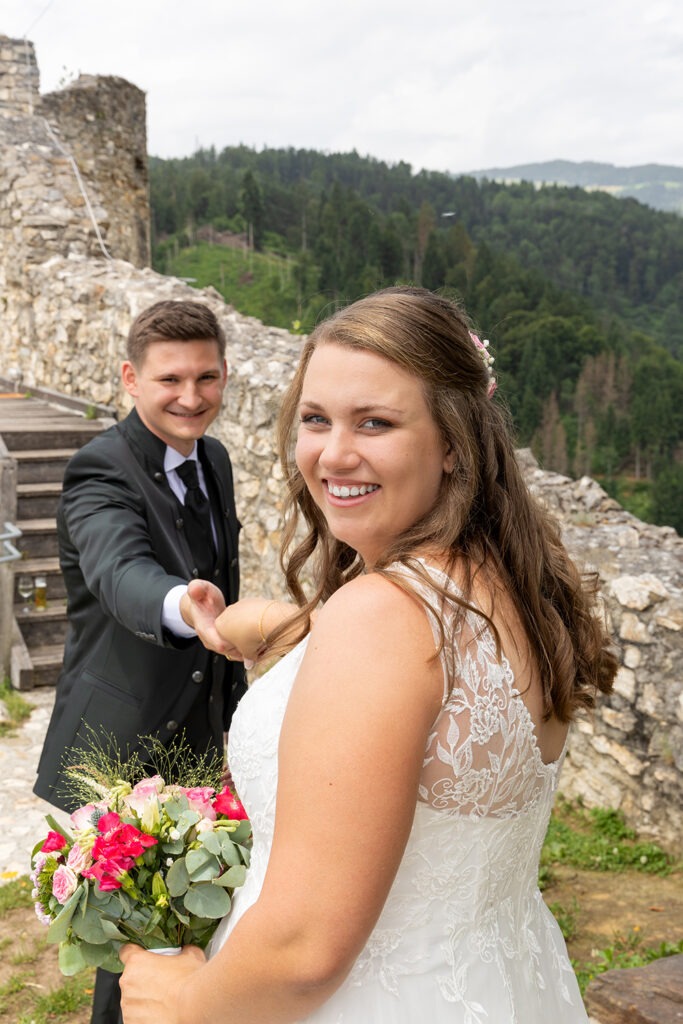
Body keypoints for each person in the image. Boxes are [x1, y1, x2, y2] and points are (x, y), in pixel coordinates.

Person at [119, 286, 618, 1023]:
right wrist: (267, 626)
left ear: (453, 442)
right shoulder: (504, 585)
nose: (333, 454)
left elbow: (303, 950)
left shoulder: (381, 618)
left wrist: (182, 1003)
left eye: (375, 423)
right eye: (315, 419)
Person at [33, 299, 246, 1024]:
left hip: (201, 738)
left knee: (194, 924)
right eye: (171, 380)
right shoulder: (99, 469)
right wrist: (186, 606)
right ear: (131, 378)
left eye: (207, 377)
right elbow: (119, 570)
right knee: (132, 950)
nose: (191, 397)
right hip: (120, 747)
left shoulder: (212, 457)